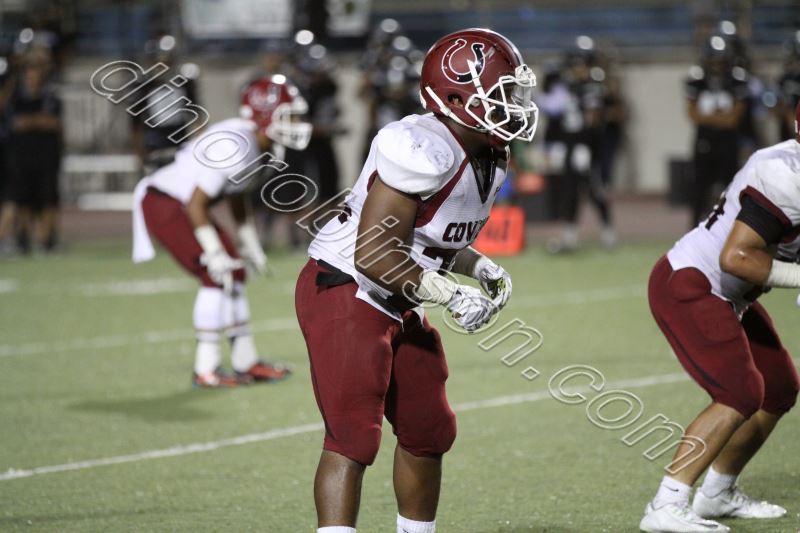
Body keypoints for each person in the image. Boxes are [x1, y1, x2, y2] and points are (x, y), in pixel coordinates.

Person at [295, 28, 537, 533]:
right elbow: (374, 252)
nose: (514, 105)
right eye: (503, 93)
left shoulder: (490, 151)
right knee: (353, 437)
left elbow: (430, 236)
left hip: (397, 290)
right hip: (347, 286)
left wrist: (478, 267)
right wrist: (448, 293)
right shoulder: (422, 148)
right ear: (456, 98)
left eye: (515, 92)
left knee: (429, 428)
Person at [639, 103, 800, 532]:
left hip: (733, 295)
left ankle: (718, 493)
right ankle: (666, 504)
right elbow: (736, 258)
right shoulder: (786, 177)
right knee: (740, 392)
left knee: (779, 387)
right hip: (693, 284)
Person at [131, 76, 311, 387]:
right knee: (215, 275)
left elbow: (236, 194)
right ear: (264, 115)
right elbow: (196, 204)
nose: (296, 123)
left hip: (183, 203)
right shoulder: (236, 144)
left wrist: (249, 244)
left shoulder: (262, 145)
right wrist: (214, 254)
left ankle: (246, 362)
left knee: (235, 273)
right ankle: (206, 369)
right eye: (288, 115)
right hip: (167, 202)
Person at [0, 48, 62, 253]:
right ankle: (22, 239)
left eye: (37, 70)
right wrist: (39, 121)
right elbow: (15, 122)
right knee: (20, 200)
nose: (33, 75)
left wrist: (30, 122)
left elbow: (53, 123)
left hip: (45, 156)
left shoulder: (50, 96)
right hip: (19, 157)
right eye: (30, 70)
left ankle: (47, 241)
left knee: (48, 199)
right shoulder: (14, 96)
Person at [685, 35, 748, 227]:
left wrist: (709, 117)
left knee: (731, 188)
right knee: (699, 189)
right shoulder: (697, 79)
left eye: (720, 61)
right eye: (714, 61)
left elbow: (734, 119)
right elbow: (693, 115)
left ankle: (730, 228)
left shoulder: (737, 79)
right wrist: (722, 118)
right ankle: (694, 230)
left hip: (728, 143)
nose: (717, 66)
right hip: (704, 141)